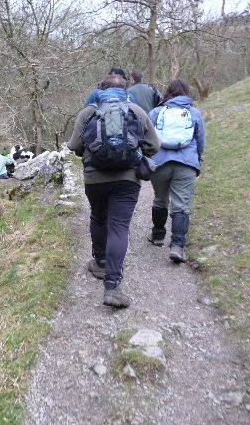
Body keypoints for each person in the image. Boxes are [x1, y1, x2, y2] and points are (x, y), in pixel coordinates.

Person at [68, 74, 160, 308]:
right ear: (125, 89)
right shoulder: (137, 111)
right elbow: (154, 145)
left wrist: (92, 151)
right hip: (127, 179)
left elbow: (74, 146)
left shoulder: (88, 112)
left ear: (101, 88)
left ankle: (99, 262)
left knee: (98, 218)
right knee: (119, 227)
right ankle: (112, 287)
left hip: (94, 178)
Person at [147, 79, 205, 264]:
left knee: (160, 199)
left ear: (168, 92)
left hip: (160, 164)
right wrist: (197, 158)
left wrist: (149, 157)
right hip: (186, 164)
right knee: (181, 205)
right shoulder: (194, 112)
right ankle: (177, 246)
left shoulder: (156, 112)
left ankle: (158, 236)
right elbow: (200, 140)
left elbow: (147, 138)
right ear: (187, 92)